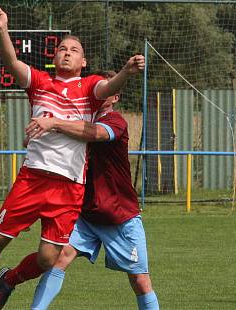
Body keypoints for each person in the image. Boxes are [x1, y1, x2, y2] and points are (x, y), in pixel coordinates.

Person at [0, 5, 144, 310]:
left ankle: (9, 280)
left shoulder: (89, 88)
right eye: (61, 48)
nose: (67, 52)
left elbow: (110, 86)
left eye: (74, 50)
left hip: (69, 187)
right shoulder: (41, 83)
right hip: (32, 178)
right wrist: (2, 29)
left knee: (48, 258)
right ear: (54, 57)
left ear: (83, 61)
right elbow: (11, 62)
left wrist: (125, 72)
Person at [26, 70, 159, 310]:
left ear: (114, 97)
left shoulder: (115, 122)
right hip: (85, 214)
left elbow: (96, 133)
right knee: (59, 259)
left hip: (119, 216)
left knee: (140, 281)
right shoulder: (75, 118)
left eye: (106, 88)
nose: (99, 92)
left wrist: (54, 123)